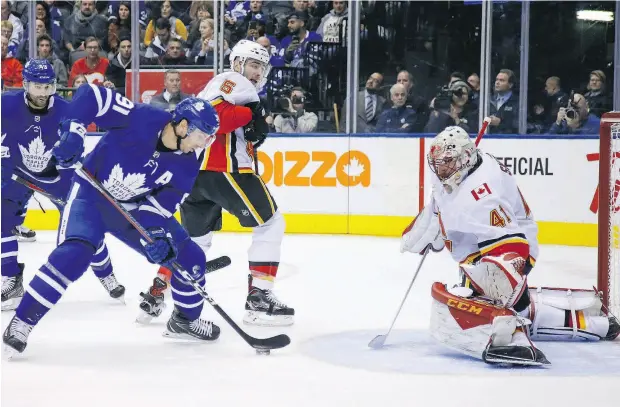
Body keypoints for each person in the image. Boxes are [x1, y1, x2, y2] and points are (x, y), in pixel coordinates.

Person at [3, 87, 220, 356]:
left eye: (209, 140)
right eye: (202, 136)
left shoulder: (189, 162)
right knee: (74, 255)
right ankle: (22, 321)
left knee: (191, 258)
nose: (203, 144)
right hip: (91, 198)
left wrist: (156, 235)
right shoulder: (140, 117)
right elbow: (91, 96)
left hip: (134, 210)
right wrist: (74, 131)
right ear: (183, 126)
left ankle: (184, 321)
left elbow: (163, 204)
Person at [400, 126, 619, 366]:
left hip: (514, 241)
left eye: (447, 163)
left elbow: (514, 244)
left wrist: (500, 283)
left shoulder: (483, 195)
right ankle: (543, 312)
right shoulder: (459, 168)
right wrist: (434, 221)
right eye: (436, 163)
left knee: (495, 279)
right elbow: (441, 196)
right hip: (477, 242)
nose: (440, 170)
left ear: (464, 159)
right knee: (480, 282)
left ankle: (512, 329)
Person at [141, 40, 294, 327]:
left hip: (197, 175)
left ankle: (158, 291)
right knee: (271, 223)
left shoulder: (228, 85)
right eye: (253, 64)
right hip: (225, 169)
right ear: (237, 62)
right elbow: (215, 116)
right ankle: (259, 299)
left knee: (194, 241)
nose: (258, 72)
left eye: (261, 67)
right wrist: (253, 114)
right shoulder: (233, 80)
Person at [1, 59, 125, 312]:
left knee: (84, 228)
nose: (43, 93)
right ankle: (10, 278)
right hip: (16, 173)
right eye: (37, 87)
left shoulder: (67, 111)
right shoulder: (6, 105)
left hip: (59, 176)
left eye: (48, 87)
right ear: (25, 85)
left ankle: (106, 274)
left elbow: (75, 146)